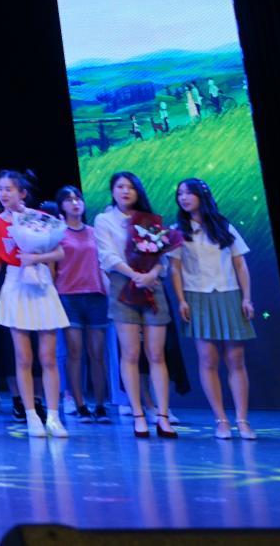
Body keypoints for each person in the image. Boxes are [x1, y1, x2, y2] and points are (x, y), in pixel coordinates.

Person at [0, 171, 69, 438]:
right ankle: (31, 416)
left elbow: (60, 252)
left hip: (41, 284)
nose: (3, 194)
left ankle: (53, 416)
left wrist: (36, 258)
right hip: (15, 285)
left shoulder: (39, 218)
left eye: (9, 189)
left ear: (22, 193)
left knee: (48, 357)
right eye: (0, 188)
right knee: (23, 357)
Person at [95, 171, 178, 438]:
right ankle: (139, 414)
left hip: (152, 285)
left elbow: (162, 257)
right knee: (130, 354)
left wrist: (151, 275)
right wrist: (134, 275)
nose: (125, 191)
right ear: (113, 191)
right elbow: (107, 255)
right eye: (120, 186)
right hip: (123, 285)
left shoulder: (149, 219)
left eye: (130, 187)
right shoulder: (104, 220)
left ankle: (163, 416)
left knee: (156, 354)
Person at [173, 178, 256, 439]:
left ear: (202, 196)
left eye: (189, 193)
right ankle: (221, 420)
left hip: (229, 294)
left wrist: (246, 298)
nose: (184, 198)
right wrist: (181, 300)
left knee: (236, 359)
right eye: (180, 194)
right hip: (197, 297)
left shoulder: (223, 226)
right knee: (208, 360)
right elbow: (175, 269)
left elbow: (240, 264)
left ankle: (242, 420)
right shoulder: (177, 231)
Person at [51, 185, 111, 422]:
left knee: (97, 353)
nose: (75, 203)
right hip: (69, 296)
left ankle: (101, 405)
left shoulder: (95, 232)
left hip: (96, 295)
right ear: (61, 206)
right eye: (69, 200)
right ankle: (80, 404)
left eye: (78, 199)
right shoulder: (58, 234)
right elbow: (53, 268)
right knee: (74, 353)